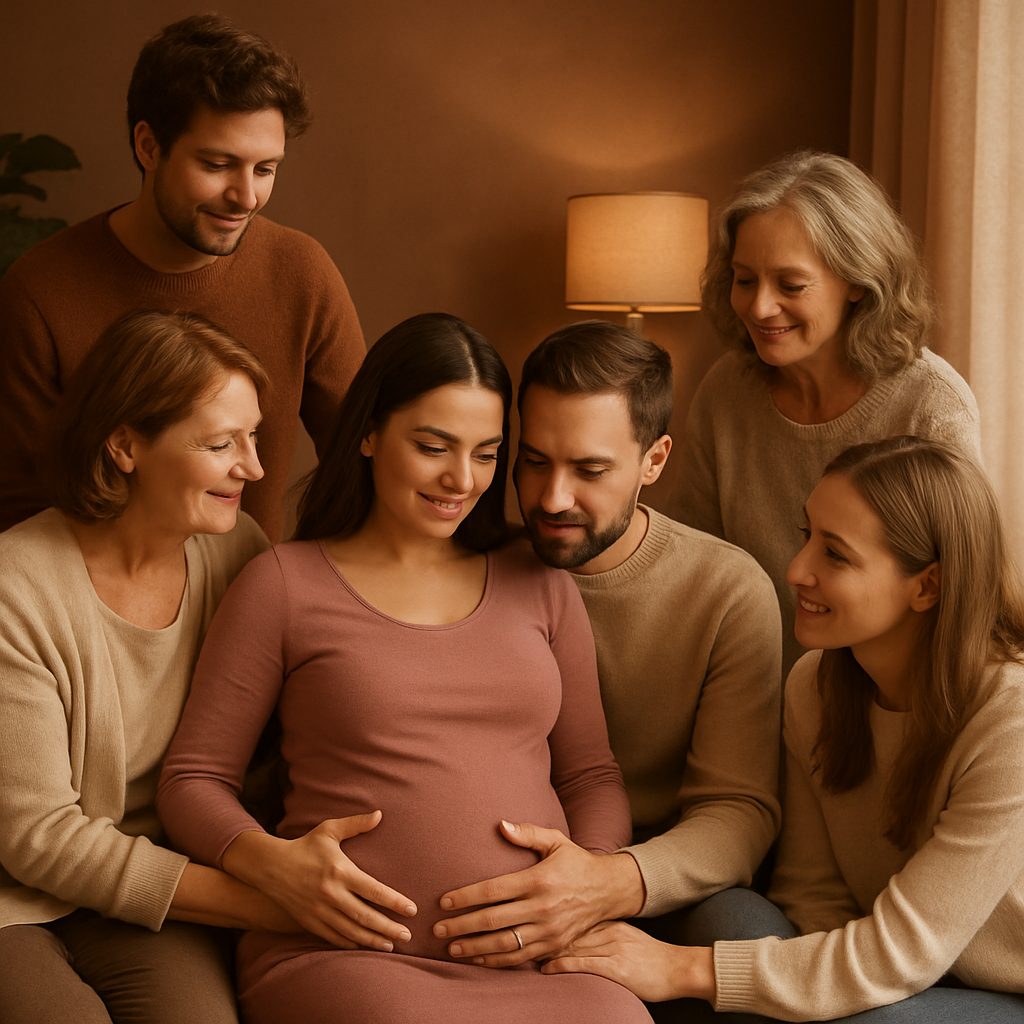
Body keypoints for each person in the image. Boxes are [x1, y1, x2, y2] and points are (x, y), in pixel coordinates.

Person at [156, 312, 653, 1023]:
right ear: (367, 433)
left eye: (487, 454)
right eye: (433, 446)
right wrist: (269, 863)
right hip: (347, 956)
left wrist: (585, 883)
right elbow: (193, 779)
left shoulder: (538, 580)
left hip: (539, 957)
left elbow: (591, 774)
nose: (462, 478)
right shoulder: (283, 584)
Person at [545, 436, 1024, 1022]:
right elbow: (811, 896)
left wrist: (678, 970)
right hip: (890, 963)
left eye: (837, 555)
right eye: (807, 537)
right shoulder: (815, 686)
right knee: (730, 916)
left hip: (997, 986)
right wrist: (799, 997)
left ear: (926, 585)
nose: (797, 570)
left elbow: (902, 951)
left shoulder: (1010, 720)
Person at [432, 321, 781, 1022]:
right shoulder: (463, 568)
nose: (554, 498)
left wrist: (609, 883)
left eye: (590, 471)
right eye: (533, 462)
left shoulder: (727, 590)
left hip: (662, 884)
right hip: (496, 877)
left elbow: (740, 811)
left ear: (654, 460)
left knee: (747, 933)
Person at [0, 310, 307, 1023]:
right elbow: (36, 838)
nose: (253, 468)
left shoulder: (240, 555)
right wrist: (264, 905)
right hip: (15, 888)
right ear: (124, 445)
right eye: (221, 443)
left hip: (154, 887)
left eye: (253, 436)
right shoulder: (16, 587)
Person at [0, 13, 364, 540]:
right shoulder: (40, 291)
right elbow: (18, 513)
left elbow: (366, 462)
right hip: (88, 612)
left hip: (253, 600)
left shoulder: (301, 271)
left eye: (265, 169)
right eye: (218, 164)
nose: (246, 197)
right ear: (149, 147)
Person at [678, 150, 981, 671]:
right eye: (744, 279)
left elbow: (958, 601)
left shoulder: (932, 405)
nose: (759, 307)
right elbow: (697, 567)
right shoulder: (726, 390)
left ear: (859, 283)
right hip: (747, 681)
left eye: (791, 285)